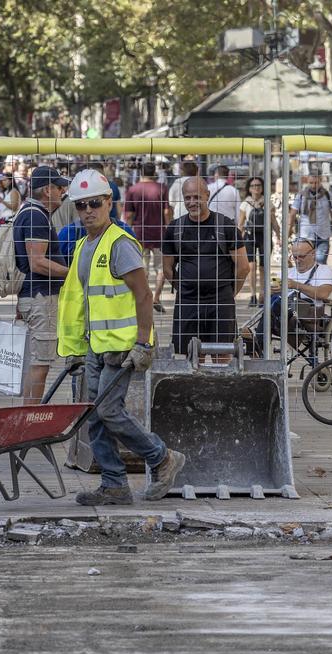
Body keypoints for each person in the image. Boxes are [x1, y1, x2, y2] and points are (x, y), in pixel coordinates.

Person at [56, 169, 186, 505]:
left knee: (110, 411)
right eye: (81, 205)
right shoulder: (85, 246)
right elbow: (84, 301)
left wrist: (143, 342)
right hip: (97, 346)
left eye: (95, 204)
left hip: (124, 346)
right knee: (94, 415)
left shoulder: (120, 244)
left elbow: (144, 295)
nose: (88, 211)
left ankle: (161, 457)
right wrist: (77, 348)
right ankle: (114, 484)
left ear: (109, 203)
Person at [162, 177, 250, 358]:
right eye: (187, 198)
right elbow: (167, 269)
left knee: (222, 355)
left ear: (207, 196)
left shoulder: (225, 226)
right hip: (188, 303)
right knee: (193, 357)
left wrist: (229, 292)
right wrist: (186, 288)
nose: (192, 203)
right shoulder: (175, 229)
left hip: (220, 302)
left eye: (197, 197)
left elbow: (243, 267)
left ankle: (220, 387)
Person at [13, 165, 70, 403]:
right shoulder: (36, 215)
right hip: (41, 298)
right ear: (47, 190)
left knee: (37, 363)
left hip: (33, 296)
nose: (62, 191)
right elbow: (37, 262)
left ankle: (26, 414)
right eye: (58, 187)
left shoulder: (28, 211)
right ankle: (30, 419)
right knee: (40, 365)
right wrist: (73, 272)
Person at [124, 162, 171, 313]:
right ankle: (156, 297)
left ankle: (143, 297)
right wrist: (168, 228)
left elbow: (129, 215)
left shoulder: (133, 189)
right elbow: (166, 212)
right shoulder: (162, 188)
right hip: (159, 233)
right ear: (154, 172)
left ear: (140, 173)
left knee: (141, 267)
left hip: (139, 234)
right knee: (161, 268)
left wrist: (127, 232)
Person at [289, 169, 332, 264]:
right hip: (305, 236)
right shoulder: (301, 196)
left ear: (320, 181)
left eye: (316, 183)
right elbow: (292, 215)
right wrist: (288, 232)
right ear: (307, 181)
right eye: (311, 183)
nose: (313, 185)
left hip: (322, 236)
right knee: (304, 264)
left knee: (320, 263)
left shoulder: (327, 195)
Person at [237, 176, 268, 306]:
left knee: (263, 267)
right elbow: (241, 223)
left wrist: (279, 236)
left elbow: (273, 221)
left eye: (259, 185)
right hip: (249, 237)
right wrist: (237, 239)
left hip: (264, 237)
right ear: (249, 188)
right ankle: (252, 295)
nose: (256, 188)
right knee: (251, 266)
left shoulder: (267, 202)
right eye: (253, 186)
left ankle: (262, 294)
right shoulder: (245, 203)